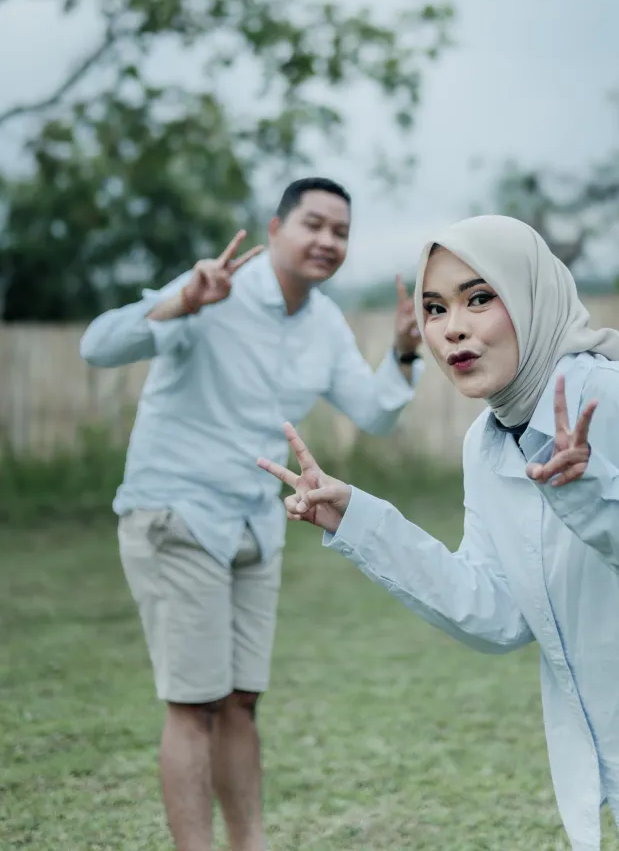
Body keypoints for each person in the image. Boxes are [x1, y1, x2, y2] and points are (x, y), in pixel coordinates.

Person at [260, 214, 619, 851]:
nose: (452, 327)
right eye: (435, 308)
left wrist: (595, 497)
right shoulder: (488, 444)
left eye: (478, 298)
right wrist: (358, 519)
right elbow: (498, 611)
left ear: (531, 296)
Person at [79, 176, 423, 851]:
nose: (327, 241)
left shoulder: (324, 323)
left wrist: (405, 352)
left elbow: (376, 412)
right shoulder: (215, 288)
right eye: (313, 224)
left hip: (255, 526)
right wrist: (182, 301)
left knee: (240, 703)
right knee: (194, 706)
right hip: (177, 514)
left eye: (341, 232)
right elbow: (97, 347)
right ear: (274, 229)